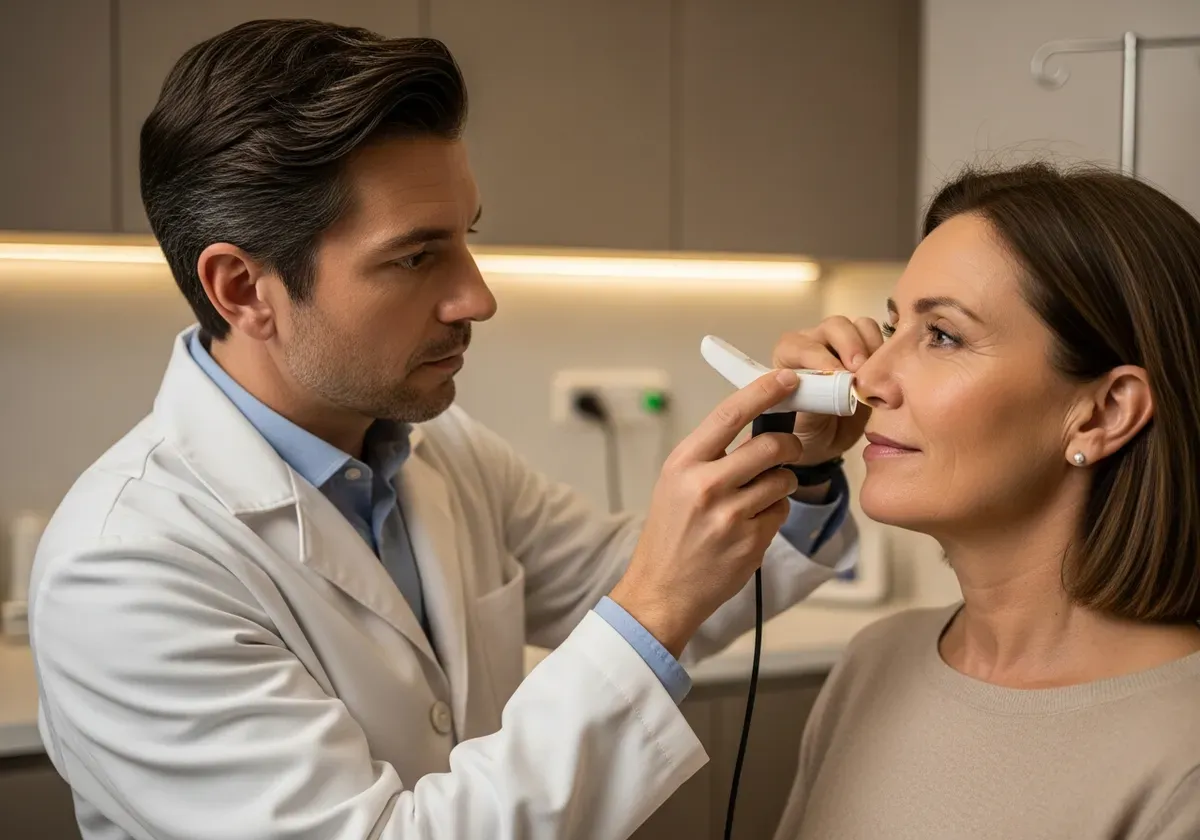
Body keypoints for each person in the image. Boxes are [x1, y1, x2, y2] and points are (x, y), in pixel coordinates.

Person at [27, 20, 871, 840]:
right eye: (414, 256)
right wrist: (653, 605)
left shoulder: (446, 453)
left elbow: (646, 579)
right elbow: (648, 603)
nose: (478, 298)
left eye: (466, 239)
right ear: (244, 290)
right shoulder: (126, 568)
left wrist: (793, 465)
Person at [772, 162, 1200, 840]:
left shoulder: (1183, 757)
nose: (869, 379)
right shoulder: (873, 662)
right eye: (891, 328)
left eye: (943, 335)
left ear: (1104, 414)